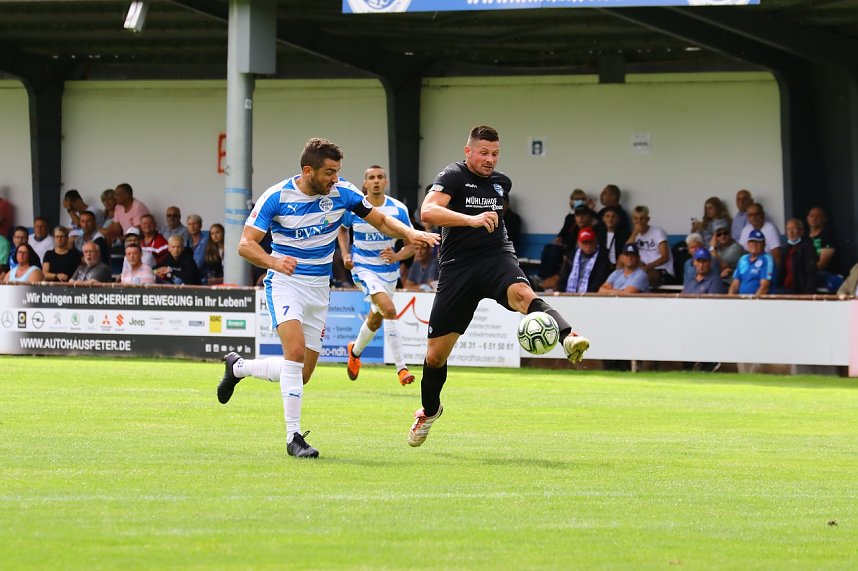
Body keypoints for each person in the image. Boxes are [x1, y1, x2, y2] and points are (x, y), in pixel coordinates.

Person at [215, 137, 438, 460]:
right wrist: (275, 262)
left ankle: (239, 368)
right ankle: (293, 436)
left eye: (337, 172)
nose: (335, 178)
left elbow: (378, 219)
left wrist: (411, 233)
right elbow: (245, 245)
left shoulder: (343, 192)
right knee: (293, 354)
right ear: (308, 171)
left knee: (302, 373)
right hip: (285, 283)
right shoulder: (276, 197)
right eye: (330, 172)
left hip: (319, 288)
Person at [406, 125, 589, 448]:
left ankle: (568, 336)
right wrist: (471, 219)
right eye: (484, 153)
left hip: (495, 258)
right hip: (457, 269)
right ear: (468, 152)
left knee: (524, 295)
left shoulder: (501, 183)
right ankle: (431, 411)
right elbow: (428, 211)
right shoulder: (452, 176)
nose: (490, 160)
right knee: (435, 357)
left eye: (495, 154)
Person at [338, 164, 418, 387]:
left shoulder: (398, 209)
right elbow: (342, 230)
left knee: (376, 318)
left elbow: (412, 244)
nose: (375, 181)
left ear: (386, 182)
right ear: (365, 183)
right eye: (371, 177)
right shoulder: (355, 207)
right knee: (389, 309)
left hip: (389, 273)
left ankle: (354, 352)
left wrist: (397, 256)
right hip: (363, 269)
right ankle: (401, 368)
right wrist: (345, 254)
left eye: (380, 177)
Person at [628, 205, 674, 288]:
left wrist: (646, 267)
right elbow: (625, 253)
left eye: (642, 218)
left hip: (661, 270)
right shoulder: (634, 235)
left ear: (648, 219)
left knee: (640, 277)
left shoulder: (658, 232)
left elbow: (665, 257)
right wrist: (635, 233)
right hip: (643, 270)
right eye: (636, 218)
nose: (639, 221)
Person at [558, 227, 611, 293]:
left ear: (595, 241)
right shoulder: (571, 256)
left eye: (590, 242)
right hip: (569, 295)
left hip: (592, 296)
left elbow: (599, 281)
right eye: (584, 242)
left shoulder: (603, 258)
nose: (588, 245)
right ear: (579, 243)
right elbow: (563, 278)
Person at [777, 218, 818, 294]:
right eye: (788, 229)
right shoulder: (785, 249)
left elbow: (810, 273)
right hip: (785, 290)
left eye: (794, 229)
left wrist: (808, 294)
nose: (791, 232)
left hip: (800, 291)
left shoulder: (808, 248)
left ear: (801, 231)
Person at [729, 229, 774, 296]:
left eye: (758, 242)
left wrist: (753, 303)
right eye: (752, 242)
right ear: (747, 244)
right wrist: (730, 300)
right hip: (742, 301)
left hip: (760, 302)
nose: (755, 245)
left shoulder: (767, 259)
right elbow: (735, 284)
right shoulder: (743, 259)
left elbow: (764, 287)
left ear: (764, 244)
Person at [805, 206, 840, 291]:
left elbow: (822, 264)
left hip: (823, 276)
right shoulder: (804, 238)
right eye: (812, 215)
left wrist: (804, 270)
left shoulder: (828, 237)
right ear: (808, 218)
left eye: (818, 216)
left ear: (824, 219)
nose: (814, 218)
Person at [738, 202, 782, 268]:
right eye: (750, 215)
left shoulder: (770, 227)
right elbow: (740, 251)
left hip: (766, 264)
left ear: (762, 215)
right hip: (749, 265)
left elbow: (776, 254)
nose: (753, 217)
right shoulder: (746, 229)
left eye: (756, 214)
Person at [710, 221, 745, 286]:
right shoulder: (717, 249)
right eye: (719, 235)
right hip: (719, 281)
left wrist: (712, 248)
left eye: (725, 233)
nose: (722, 236)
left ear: (730, 234)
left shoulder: (736, 248)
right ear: (715, 237)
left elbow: (721, 265)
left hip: (731, 284)